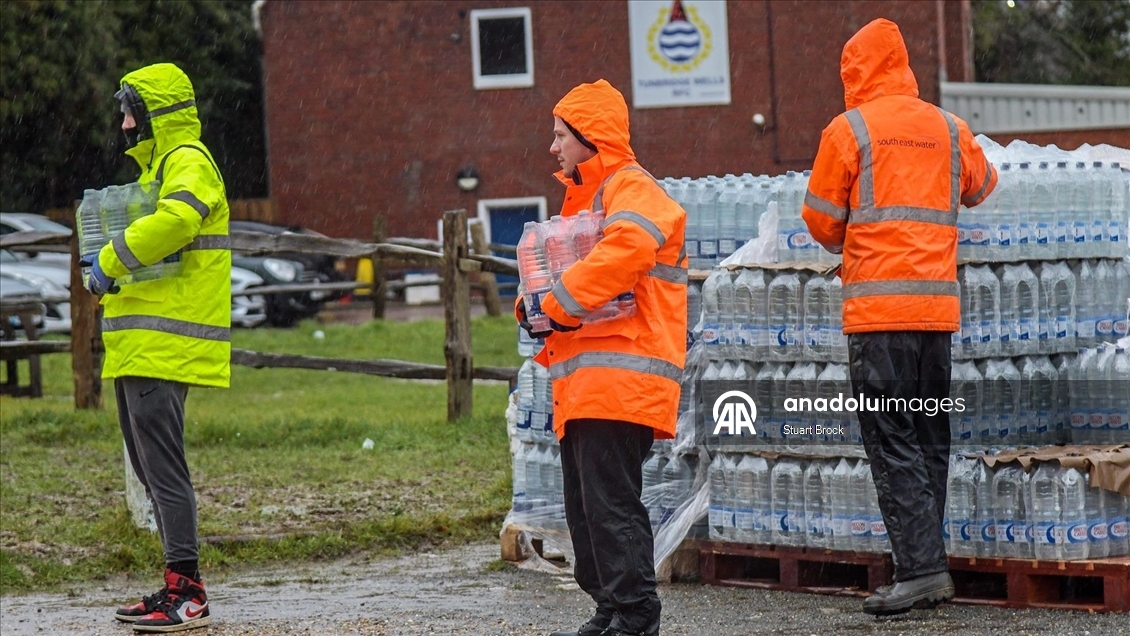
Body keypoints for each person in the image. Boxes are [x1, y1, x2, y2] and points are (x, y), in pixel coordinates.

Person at [801, 19, 997, 616]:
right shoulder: (947, 124)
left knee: (892, 440)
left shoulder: (848, 130)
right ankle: (924, 565)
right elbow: (983, 185)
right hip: (936, 316)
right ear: (903, 65)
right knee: (930, 438)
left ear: (855, 71)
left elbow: (820, 220)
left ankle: (920, 570)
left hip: (878, 317)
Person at [516, 79, 687, 636]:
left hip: (622, 380)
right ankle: (612, 608)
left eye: (561, 134)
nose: (552, 146)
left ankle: (636, 614)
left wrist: (553, 305)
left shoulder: (631, 187)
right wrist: (530, 305)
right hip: (588, 384)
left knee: (611, 508)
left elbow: (629, 250)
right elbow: (551, 275)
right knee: (587, 510)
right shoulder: (585, 200)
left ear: (591, 139)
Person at [86, 62, 231, 633]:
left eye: (131, 110)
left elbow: (180, 220)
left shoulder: (187, 160)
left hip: (164, 347)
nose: (124, 124)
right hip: (142, 344)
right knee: (152, 470)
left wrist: (107, 259)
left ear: (156, 114)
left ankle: (188, 594)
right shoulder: (163, 168)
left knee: (164, 472)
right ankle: (176, 585)